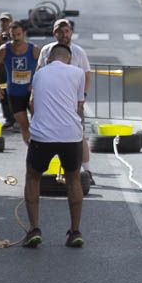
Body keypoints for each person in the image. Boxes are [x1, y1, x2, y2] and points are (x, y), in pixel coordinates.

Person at [21, 43, 87, 249]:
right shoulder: (78, 73)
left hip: (43, 135)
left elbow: (32, 103)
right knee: (73, 179)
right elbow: (79, 105)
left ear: (48, 59)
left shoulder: (39, 74)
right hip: (70, 134)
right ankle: (75, 232)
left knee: (33, 176)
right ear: (69, 58)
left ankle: (34, 229)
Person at [40, 18, 95, 185]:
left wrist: (82, 97)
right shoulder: (46, 50)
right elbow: (39, 73)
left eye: (66, 31)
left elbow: (86, 75)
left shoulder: (78, 52)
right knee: (48, 137)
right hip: (51, 104)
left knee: (79, 136)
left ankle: (87, 171)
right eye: (59, 31)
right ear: (54, 33)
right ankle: (44, 171)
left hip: (73, 104)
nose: (63, 35)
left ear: (71, 32)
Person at [0, 21, 40, 145]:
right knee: (24, 126)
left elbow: (44, 69)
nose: (16, 38)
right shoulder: (4, 50)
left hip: (32, 93)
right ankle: (31, 151)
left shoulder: (35, 50)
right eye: (13, 35)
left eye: (18, 34)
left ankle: (41, 150)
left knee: (39, 125)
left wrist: (36, 85)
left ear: (24, 34)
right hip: (14, 94)